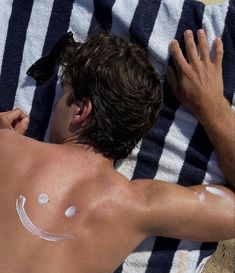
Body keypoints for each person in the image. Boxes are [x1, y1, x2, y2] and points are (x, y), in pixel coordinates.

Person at [0, 29, 234, 273]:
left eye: (63, 95)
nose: (56, 107)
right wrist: (212, 107)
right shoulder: (138, 205)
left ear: (81, 110)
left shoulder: (6, 147)